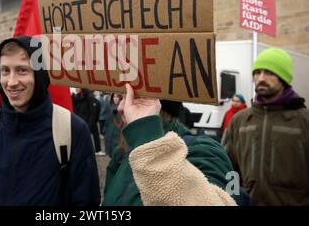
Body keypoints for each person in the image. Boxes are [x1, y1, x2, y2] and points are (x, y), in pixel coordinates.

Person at [0, 36, 100, 206]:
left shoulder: (71, 129)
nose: (12, 82)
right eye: (5, 71)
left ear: (39, 74)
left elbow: (86, 204)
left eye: (22, 70)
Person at [103, 84, 237, 206]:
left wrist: (148, 138)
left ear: (158, 106)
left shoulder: (205, 152)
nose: (120, 107)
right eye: (121, 97)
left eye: (133, 98)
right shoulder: (121, 155)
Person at [222, 48, 309, 205]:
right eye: (257, 72)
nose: (261, 78)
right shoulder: (240, 120)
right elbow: (227, 167)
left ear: (283, 79)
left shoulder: (303, 120)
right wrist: (232, 199)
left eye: (269, 72)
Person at [73, 88, 103, 155]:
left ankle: (97, 150)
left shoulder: (89, 97)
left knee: (95, 136)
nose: (76, 89)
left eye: (77, 87)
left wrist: (90, 124)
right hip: (80, 122)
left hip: (89, 122)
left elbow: (93, 112)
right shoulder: (77, 98)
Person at [103, 93, 124, 158]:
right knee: (111, 152)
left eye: (117, 97)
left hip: (119, 135)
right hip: (110, 133)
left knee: (117, 154)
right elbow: (107, 121)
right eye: (114, 96)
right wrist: (105, 131)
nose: (115, 98)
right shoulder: (110, 107)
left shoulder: (123, 109)